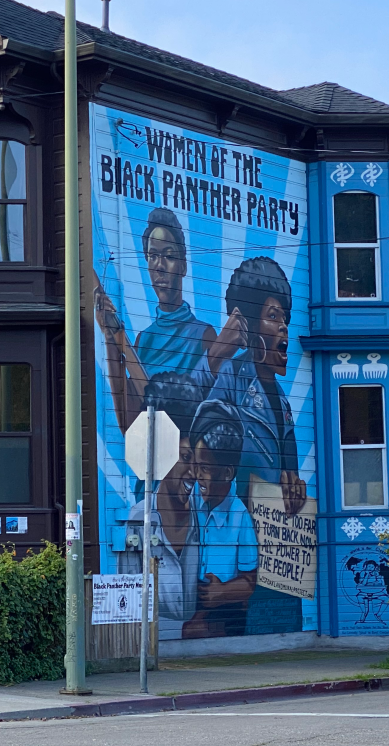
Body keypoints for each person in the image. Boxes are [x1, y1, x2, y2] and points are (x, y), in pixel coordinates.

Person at [94, 208, 216, 433]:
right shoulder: (145, 339)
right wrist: (109, 337)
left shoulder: (205, 336)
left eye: (169, 256)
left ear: (183, 265)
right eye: (152, 256)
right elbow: (128, 423)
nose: (159, 266)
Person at [207, 256, 306, 515]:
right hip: (237, 521)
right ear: (249, 326)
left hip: (272, 530)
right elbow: (207, 443)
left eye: (285, 318)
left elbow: (289, 466)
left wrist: (294, 489)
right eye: (273, 316)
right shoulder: (232, 375)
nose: (283, 327)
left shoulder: (282, 399)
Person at [117, 373, 206, 638]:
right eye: (186, 457)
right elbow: (130, 605)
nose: (193, 471)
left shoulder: (208, 519)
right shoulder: (137, 521)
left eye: (197, 459)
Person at [183, 399, 257, 639]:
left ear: (227, 473)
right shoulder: (189, 497)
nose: (196, 474)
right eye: (194, 464)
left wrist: (222, 592)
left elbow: (249, 580)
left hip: (224, 611)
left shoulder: (239, 517)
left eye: (204, 468)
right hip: (188, 604)